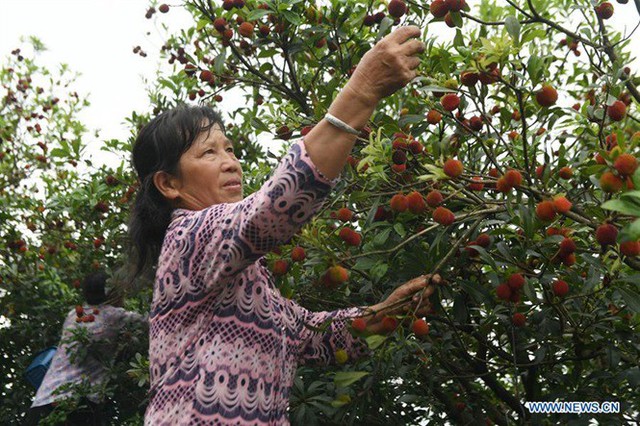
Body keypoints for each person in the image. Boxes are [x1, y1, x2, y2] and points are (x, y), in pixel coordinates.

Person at [129, 26, 433, 425]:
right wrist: (361, 93)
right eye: (208, 152)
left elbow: (309, 334)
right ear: (169, 184)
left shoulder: (245, 279)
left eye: (230, 149)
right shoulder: (187, 237)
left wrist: (385, 313)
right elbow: (274, 207)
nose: (230, 162)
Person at [25, 271, 146, 425]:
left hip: (43, 400)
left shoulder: (73, 315)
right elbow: (152, 322)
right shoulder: (114, 315)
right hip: (77, 403)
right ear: (112, 292)